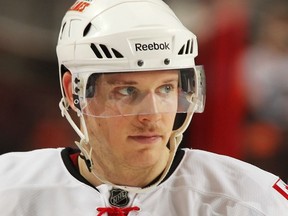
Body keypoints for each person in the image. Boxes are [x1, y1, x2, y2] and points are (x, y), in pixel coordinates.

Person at [0, 0, 287, 215]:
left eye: (166, 88)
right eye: (126, 91)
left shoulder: (251, 200)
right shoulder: (9, 188)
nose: (152, 115)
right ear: (73, 92)